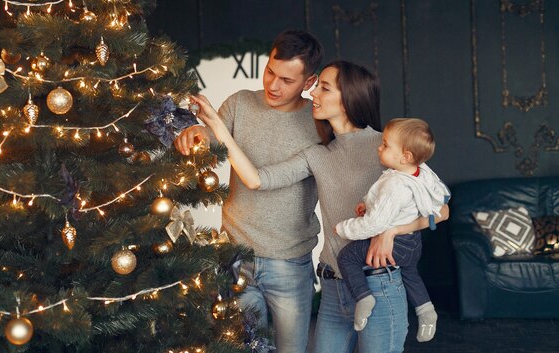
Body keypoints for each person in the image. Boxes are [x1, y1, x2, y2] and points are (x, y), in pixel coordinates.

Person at [189, 60, 449, 353]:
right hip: (333, 286)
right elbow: (256, 180)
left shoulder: (386, 147)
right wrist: (215, 124)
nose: (313, 93)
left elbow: (441, 210)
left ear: (350, 98)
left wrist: (392, 232)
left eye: (324, 88)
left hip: (379, 283)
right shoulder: (317, 155)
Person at [174, 30, 323, 353]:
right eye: (270, 71)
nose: (273, 84)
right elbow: (213, 138)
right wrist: (196, 132)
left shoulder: (319, 124)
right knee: (239, 348)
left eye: (286, 79)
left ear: (308, 82)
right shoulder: (240, 102)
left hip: (289, 263)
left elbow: (261, 178)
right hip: (236, 256)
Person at [335, 118, 451, 342]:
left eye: (386, 145)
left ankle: (363, 297)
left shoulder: (395, 184)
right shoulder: (419, 172)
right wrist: (367, 204)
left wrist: (343, 228)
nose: (379, 147)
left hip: (395, 245)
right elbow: (392, 205)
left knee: (347, 257)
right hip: (412, 242)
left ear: (405, 156)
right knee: (410, 273)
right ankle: (426, 311)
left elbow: (374, 225)